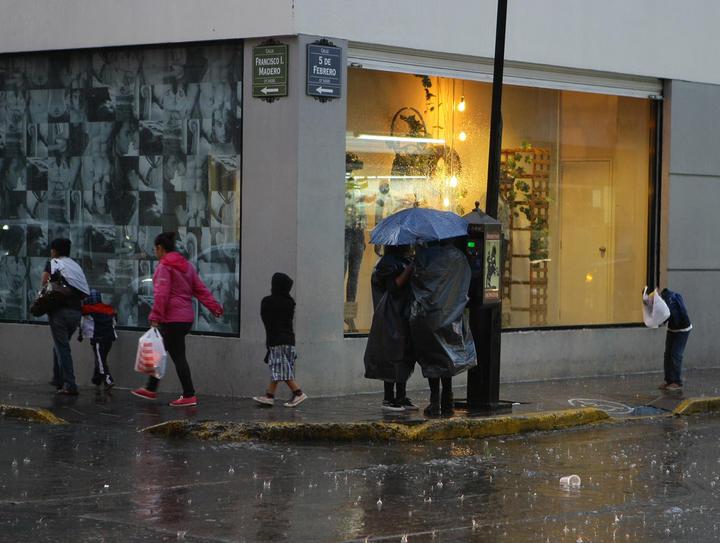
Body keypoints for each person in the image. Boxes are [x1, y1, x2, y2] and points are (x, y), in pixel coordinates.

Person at [132, 231, 223, 407]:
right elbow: (200, 289)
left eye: (155, 249)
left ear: (160, 248)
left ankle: (189, 394)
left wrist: (155, 316)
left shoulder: (164, 266)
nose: (155, 252)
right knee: (161, 350)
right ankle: (151, 388)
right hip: (185, 318)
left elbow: (162, 294)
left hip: (172, 319)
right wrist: (214, 307)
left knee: (178, 356)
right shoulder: (186, 266)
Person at [410, 239, 476, 417]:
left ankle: (435, 402)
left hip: (430, 314)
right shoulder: (459, 257)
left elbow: (416, 282)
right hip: (452, 314)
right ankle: (448, 400)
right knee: (447, 357)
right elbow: (465, 283)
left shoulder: (424, 257)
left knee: (432, 359)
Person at [363, 245, 418, 412]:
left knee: (404, 355)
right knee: (391, 354)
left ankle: (401, 395)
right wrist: (410, 268)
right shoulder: (387, 263)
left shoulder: (404, 260)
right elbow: (393, 286)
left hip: (404, 313)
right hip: (390, 316)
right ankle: (388, 397)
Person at [42, 237, 90, 395]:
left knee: (63, 348)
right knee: (60, 345)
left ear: (54, 251)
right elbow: (84, 291)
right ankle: (57, 378)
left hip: (59, 312)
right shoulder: (75, 266)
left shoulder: (53, 263)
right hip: (76, 313)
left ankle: (70, 384)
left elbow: (44, 285)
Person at [253, 272, 308, 408]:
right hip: (290, 341)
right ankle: (269, 396)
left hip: (276, 340)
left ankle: (298, 393)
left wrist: (269, 344)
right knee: (279, 368)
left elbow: (268, 322)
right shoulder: (290, 302)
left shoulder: (268, 301)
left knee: (280, 369)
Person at [78, 289, 117, 390]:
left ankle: (108, 380)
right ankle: (96, 379)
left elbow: (82, 322)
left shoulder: (87, 309)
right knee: (101, 358)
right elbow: (115, 319)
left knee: (101, 361)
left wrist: (80, 335)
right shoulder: (109, 308)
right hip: (109, 339)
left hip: (98, 338)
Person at [658, 288, 692, 391]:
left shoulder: (671, 299)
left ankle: (677, 382)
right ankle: (668, 380)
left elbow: (678, 314)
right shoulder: (665, 300)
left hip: (682, 329)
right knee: (668, 354)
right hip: (672, 329)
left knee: (675, 355)